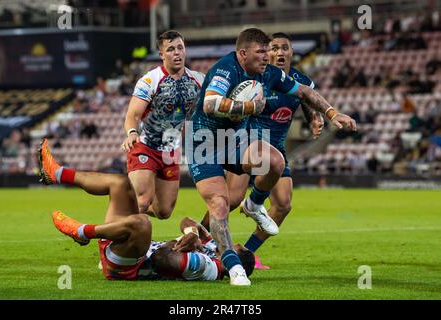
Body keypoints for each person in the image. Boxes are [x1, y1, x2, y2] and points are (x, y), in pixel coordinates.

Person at [188, 28, 356, 286]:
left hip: (236, 140)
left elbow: (304, 93)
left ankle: (254, 205)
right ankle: (232, 266)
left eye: (270, 50)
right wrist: (248, 107)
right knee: (222, 204)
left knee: (275, 162)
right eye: (262, 51)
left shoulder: (270, 73)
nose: (268, 56)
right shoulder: (226, 68)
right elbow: (210, 103)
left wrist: (332, 114)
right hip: (205, 141)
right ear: (243, 53)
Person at [38, 138, 254, 281]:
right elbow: (187, 221)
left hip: (128, 265)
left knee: (143, 222)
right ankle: (56, 173)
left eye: (240, 247)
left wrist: (181, 246)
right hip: (125, 246)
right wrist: (192, 234)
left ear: (236, 259)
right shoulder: (214, 247)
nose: (235, 242)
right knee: (120, 184)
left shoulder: (209, 268)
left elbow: (162, 258)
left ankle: (83, 232)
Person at [200, 32, 324, 269]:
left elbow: (307, 101)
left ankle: (247, 253)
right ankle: (200, 236)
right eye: (273, 48)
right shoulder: (258, 77)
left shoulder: (300, 81)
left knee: (284, 204)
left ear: (291, 52)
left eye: (284, 48)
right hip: (248, 143)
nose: (278, 53)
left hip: (275, 148)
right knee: (232, 198)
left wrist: (315, 118)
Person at [121, 30, 204, 220]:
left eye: (180, 48)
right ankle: (110, 238)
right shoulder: (150, 80)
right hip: (145, 146)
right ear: (161, 54)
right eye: (171, 49)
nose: (177, 53)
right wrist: (132, 132)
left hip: (170, 151)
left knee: (164, 211)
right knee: (142, 200)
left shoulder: (199, 81)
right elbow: (132, 114)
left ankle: (123, 206)